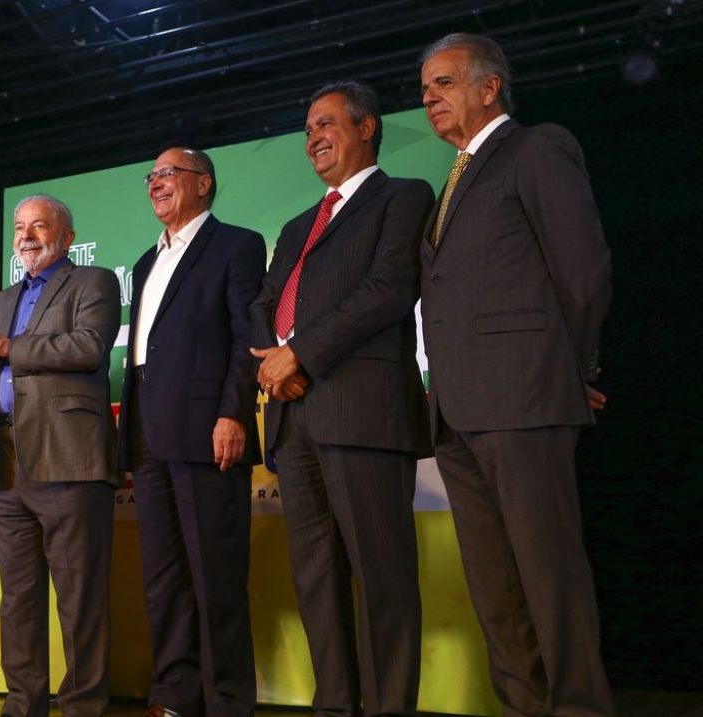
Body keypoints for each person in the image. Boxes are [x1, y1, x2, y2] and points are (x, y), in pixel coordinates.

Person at [419, 33, 613, 716]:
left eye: (442, 83)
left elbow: (583, 270)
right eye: (424, 90)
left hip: (526, 397)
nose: (428, 99)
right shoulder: (456, 177)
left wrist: (574, 367)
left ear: (489, 87)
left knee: (549, 578)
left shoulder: (536, 148)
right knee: (497, 591)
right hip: (458, 412)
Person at [249, 81, 433, 717]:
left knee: (382, 580)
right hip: (294, 418)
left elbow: (387, 289)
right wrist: (276, 367)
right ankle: (335, 705)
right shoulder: (299, 224)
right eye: (306, 130)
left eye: (326, 124)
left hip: (363, 412)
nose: (313, 139)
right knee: (317, 580)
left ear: (367, 128)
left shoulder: (403, 197)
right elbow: (263, 305)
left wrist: (299, 354)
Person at [114, 148, 264, 717]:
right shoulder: (145, 262)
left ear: (204, 183)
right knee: (164, 578)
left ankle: (227, 700)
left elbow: (243, 336)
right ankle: (175, 694)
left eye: (168, 174)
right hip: (149, 434)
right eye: (150, 175)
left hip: (206, 429)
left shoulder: (237, 245)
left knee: (215, 575)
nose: (156, 183)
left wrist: (232, 413)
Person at [0, 194, 121, 717]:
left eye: (39, 226)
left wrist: (8, 348)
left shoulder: (94, 282)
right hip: (7, 461)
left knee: (79, 601)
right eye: (19, 227)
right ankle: (22, 706)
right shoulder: (2, 300)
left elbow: (89, 347)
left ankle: (81, 707)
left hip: (68, 458)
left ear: (67, 237)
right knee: (19, 600)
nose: (26, 236)